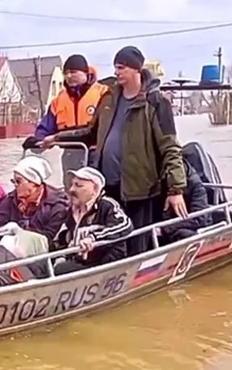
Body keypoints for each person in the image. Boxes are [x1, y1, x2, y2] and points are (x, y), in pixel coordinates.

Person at [44, 46, 188, 256]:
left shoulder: (156, 103)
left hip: (140, 188)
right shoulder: (109, 99)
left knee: (137, 245)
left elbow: (171, 147)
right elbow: (89, 133)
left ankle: (142, 277)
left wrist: (176, 190)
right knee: (109, 242)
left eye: (121, 68)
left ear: (136, 70)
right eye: (115, 68)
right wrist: (57, 138)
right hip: (108, 187)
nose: (117, 72)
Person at [28, 54, 108, 166]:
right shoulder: (58, 101)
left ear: (85, 72)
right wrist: (37, 141)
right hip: (69, 155)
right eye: (65, 73)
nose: (69, 76)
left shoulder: (103, 94)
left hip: (97, 154)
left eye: (73, 72)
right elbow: (46, 127)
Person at [52, 167, 133, 276]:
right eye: (72, 185)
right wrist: (60, 257)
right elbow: (61, 239)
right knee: (42, 265)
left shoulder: (107, 205)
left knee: (61, 270)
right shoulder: (72, 210)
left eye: (78, 186)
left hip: (103, 264)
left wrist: (93, 238)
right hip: (78, 261)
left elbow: (125, 225)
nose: (71, 189)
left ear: (94, 189)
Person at [0, 155, 69, 256]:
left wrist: (21, 233)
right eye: (13, 181)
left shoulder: (57, 205)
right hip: (8, 252)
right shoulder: (11, 199)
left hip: (42, 256)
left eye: (18, 181)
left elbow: (49, 240)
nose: (15, 185)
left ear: (34, 183)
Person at [159, 161, 212, 244]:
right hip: (170, 226)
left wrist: (165, 229)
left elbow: (200, 218)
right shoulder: (160, 184)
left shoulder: (195, 185)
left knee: (184, 235)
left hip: (190, 227)